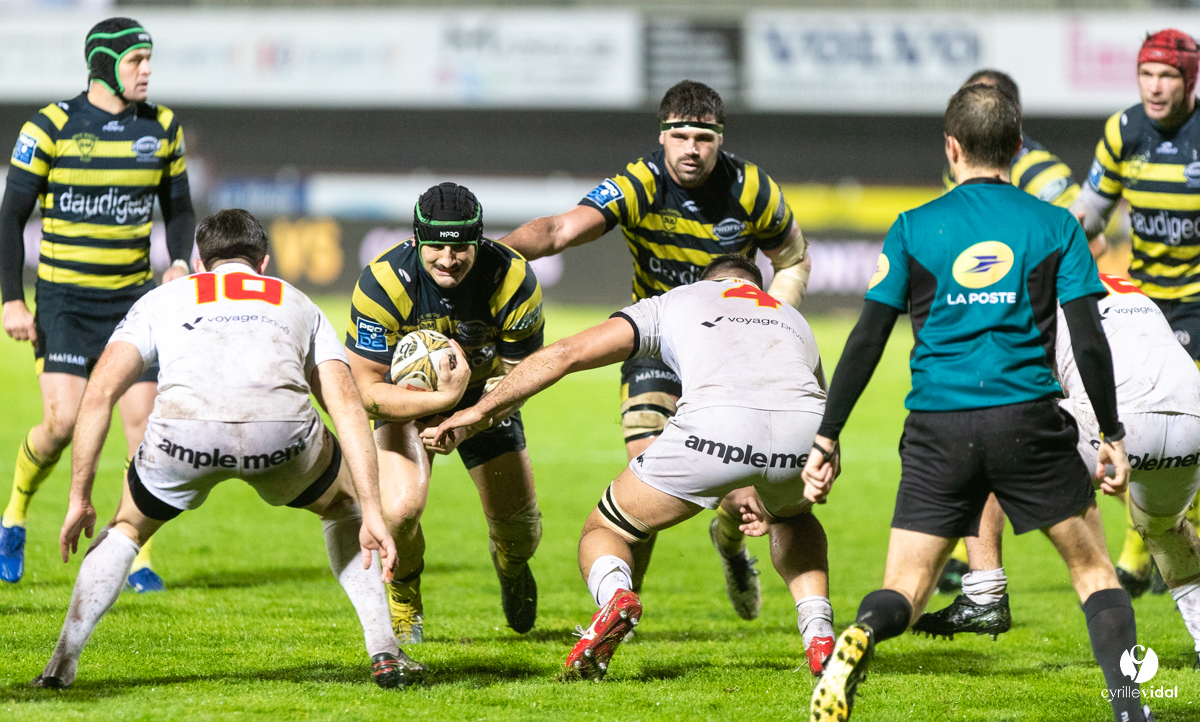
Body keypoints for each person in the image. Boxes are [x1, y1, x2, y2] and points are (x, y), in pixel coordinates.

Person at [805, 84, 1150, 722]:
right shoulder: (1056, 225)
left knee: (905, 588)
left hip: (937, 427)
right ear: (1017, 148)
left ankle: (864, 633)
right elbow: (1087, 338)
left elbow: (867, 340)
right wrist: (1110, 432)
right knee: (1094, 573)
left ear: (952, 147)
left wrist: (827, 436)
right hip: (1028, 419)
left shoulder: (912, 227)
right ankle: (1131, 709)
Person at [34, 210, 424, 690]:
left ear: (199, 263)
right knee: (342, 507)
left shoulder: (162, 298)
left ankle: (60, 667)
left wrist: (80, 497)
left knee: (127, 527)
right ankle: (385, 651)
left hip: (184, 434)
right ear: (263, 263)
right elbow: (345, 406)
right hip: (281, 437)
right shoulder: (297, 300)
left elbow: (99, 393)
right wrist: (371, 511)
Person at [432, 254, 836, 679]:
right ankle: (819, 633)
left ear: (706, 281)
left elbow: (567, 354)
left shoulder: (677, 299)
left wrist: (480, 411)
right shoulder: (791, 317)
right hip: (805, 435)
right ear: (756, 286)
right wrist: (774, 481)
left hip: (714, 427)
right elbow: (821, 408)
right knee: (794, 518)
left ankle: (616, 596)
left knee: (606, 529)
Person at [501, 80, 810, 620]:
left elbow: (793, 259)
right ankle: (622, 607)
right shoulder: (641, 182)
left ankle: (730, 544)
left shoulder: (752, 188)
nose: (692, 149)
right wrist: (489, 254)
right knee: (644, 475)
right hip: (656, 347)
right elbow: (558, 231)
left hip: (730, 354)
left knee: (741, 490)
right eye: (681, 136)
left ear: (720, 139)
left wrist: (769, 322)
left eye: (704, 138)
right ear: (662, 135)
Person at [0, 17, 196, 591]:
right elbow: (10, 217)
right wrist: (12, 300)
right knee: (61, 424)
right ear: (105, 65)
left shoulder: (162, 127)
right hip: (63, 302)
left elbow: (180, 209)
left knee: (144, 427)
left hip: (132, 301)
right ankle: (14, 515)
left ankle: (136, 552)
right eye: (136, 60)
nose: (147, 70)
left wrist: (178, 259)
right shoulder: (50, 126)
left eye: (148, 59)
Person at [914, 272, 1200, 661]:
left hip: (1117, 425)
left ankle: (984, 592)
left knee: (984, 441)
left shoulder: (1035, 291)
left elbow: (1022, 382)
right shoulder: (1121, 284)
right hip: (1191, 422)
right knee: (1166, 530)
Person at [344, 183, 545, 644]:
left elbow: (524, 377)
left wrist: (473, 418)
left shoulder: (513, 278)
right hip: (406, 403)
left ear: (479, 240)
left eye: (460, 247)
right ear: (416, 238)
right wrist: (439, 405)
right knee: (399, 513)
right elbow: (367, 393)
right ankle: (404, 596)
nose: (448, 259)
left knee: (522, 534)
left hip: (487, 399)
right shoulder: (383, 283)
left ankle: (511, 566)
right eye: (436, 245)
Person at [935, 68, 1106, 594]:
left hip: (1038, 332)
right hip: (986, 330)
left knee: (1079, 444)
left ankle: (1130, 556)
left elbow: (1089, 241)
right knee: (984, 442)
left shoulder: (1039, 169)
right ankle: (976, 568)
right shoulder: (961, 168)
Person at [1073, 28, 1200, 598]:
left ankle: (1142, 553)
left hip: (1198, 301)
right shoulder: (1124, 131)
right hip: (1145, 305)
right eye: (1146, 74)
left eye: (1167, 75)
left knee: (1190, 427)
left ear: (1188, 79)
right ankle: (1153, 548)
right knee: (1134, 423)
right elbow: (1089, 214)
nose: (1154, 86)